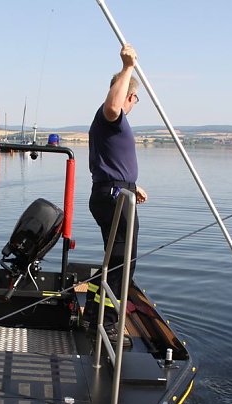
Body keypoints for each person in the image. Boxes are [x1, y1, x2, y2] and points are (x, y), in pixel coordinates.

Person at [82, 43, 148, 340]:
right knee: (123, 262)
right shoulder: (111, 115)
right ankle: (107, 324)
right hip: (113, 197)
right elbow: (112, 106)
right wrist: (128, 67)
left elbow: (111, 162)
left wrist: (132, 186)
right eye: (134, 98)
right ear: (130, 96)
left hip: (115, 192)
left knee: (114, 261)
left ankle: (92, 314)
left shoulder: (109, 125)